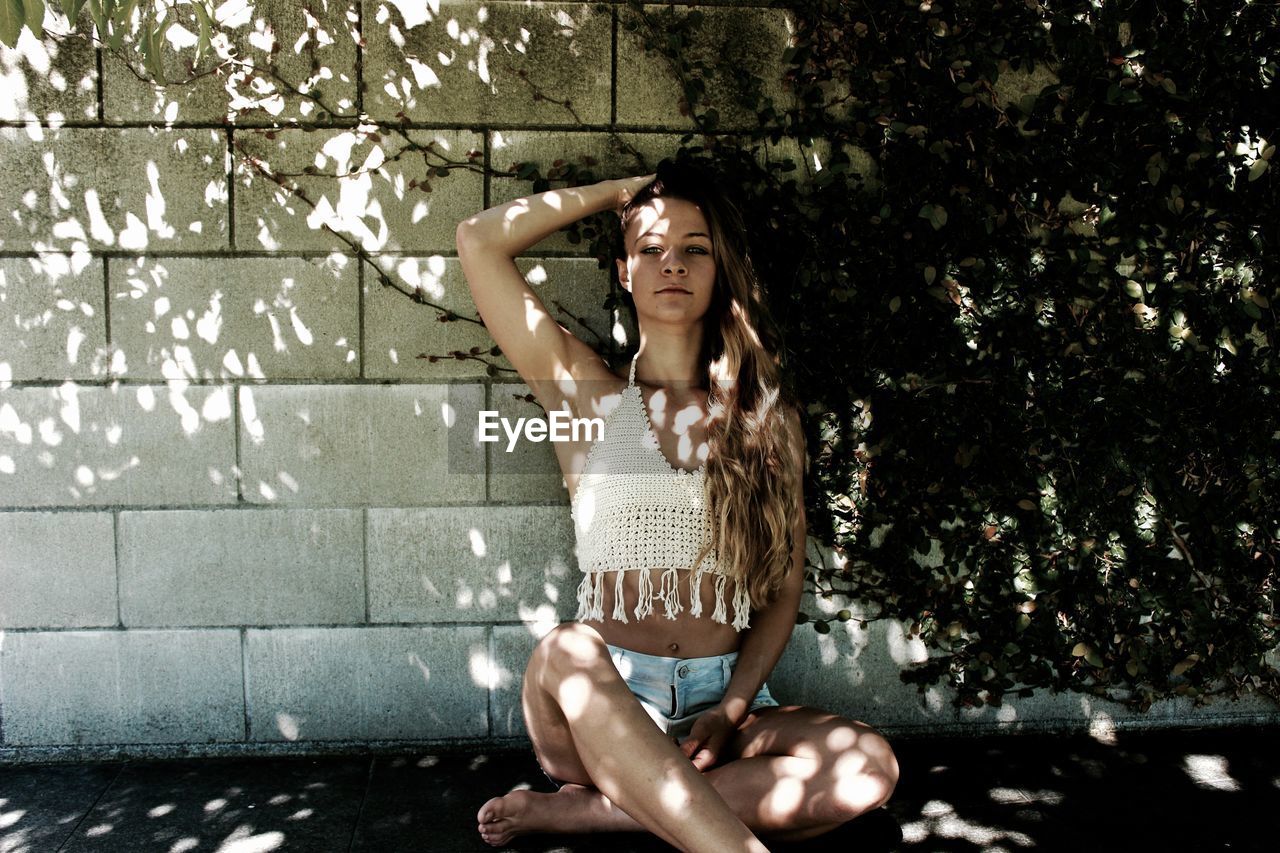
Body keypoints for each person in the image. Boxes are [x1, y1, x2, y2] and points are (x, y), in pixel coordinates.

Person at [455, 161, 899, 852]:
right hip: (599, 703)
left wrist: (730, 709)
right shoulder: (585, 394)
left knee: (872, 766)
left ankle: (594, 812)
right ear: (624, 270)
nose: (673, 263)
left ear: (719, 268)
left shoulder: (763, 420)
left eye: (695, 248)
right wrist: (618, 193)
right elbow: (479, 241)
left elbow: (782, 591)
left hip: (716, 703)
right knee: (564, 648)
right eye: (650, 248)